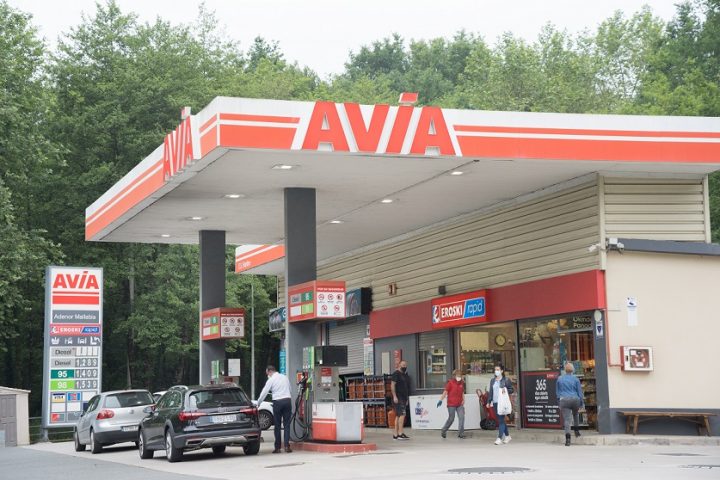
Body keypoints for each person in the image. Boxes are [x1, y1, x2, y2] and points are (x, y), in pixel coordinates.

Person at [257, 365, 293, 453]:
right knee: (287, 425)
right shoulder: (284, 377)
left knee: (277, 425)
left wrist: (258, 403)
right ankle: (287, 446)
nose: (267, 375)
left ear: (270, 371)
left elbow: (264, 392)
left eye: (267, 373)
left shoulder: (271, 379)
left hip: (277, 402)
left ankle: (278, 447)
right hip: (287, 401)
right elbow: (290, 389)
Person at [556, 362, 584, 446]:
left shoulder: (560, 379)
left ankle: (568, 439)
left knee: (567, 420)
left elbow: (557, 393)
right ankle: (576, 431)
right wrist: (581, 403)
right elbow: (579, 392)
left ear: (565, 370)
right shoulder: (576, 379)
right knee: (575, 414)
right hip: (575, 399)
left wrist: (559, 402)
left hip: (564, 400)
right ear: (572, 370)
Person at [485, 363, 514, 445]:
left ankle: (499, 438)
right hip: (495, 402)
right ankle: (507, 436)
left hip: (502, 402)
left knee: (501, 420)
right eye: (495, 370)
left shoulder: (506, 380)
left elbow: (511, 390)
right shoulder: (492, 380)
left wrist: (505, 390)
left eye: (498, 370)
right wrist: (488, 401)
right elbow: (491, 392)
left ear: (501, 371)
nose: (496, 371)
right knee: (500, 420)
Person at [438, 369, 466, 439]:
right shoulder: (450, 383)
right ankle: (444, 430)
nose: (459, 377)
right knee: (451, 419)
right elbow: (445, 392)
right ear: (454, 376)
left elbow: (462, 392)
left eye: (460, 375)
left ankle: (461, 433)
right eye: (458, 375)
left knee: (462, 417)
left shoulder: (462, 383)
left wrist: (463, 400)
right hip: (451, 404)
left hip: (459, 404)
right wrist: (440, 400)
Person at [391, 360, 411, 440]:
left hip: (404, 398)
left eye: (405, 365)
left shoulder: (405, 375)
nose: (404, 366)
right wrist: (394, 396)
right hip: (398, 397)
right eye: (403, 365)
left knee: (398, 415)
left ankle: (395, 434)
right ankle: (400, 433)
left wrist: (407, 398)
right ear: (399, 365)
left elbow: (406, 387)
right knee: (402, 414)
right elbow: (392, 385)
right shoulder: (396, 374)